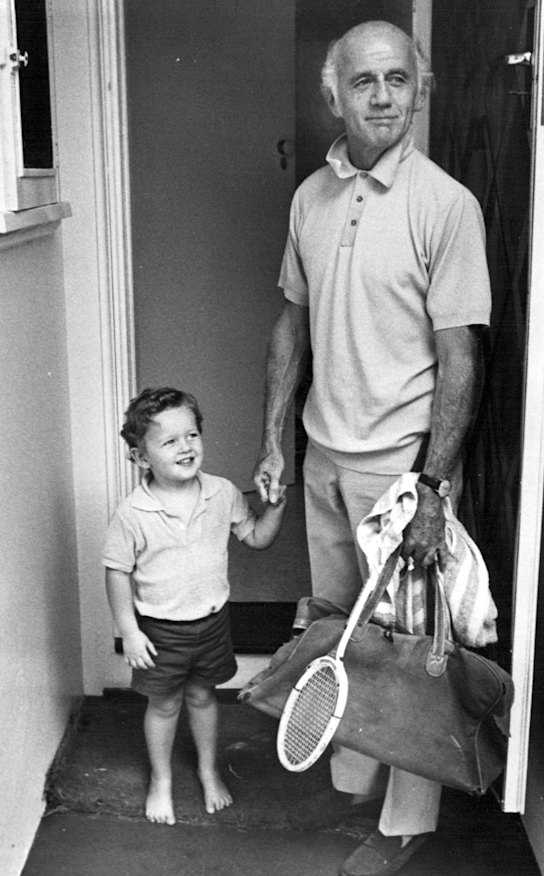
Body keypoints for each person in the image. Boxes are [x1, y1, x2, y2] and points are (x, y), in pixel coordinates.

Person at [254, 20, 491, 876]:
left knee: (407, 652)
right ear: (335, 95)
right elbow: (292, 323)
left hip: (402, 471)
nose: (384, 97)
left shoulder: (446, 205)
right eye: (366, 83)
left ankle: (404, 830)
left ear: (419, 89)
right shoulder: (310, 199)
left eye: (398, 80)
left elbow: (462, 354)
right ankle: (353, 783)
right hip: (322, 455)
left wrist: (433, 487)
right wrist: (276, 437)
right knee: (335, 627)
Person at [103, 386, 286, 825]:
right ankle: (161, 780)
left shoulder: (221, 493)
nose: (185, 447)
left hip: (211, 624)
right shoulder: (133, 512)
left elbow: (257, 538)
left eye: (192, 435)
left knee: (204, 697)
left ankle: (207, 771)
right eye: (169, 441)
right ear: (141, 458)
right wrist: (129, 631)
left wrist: (275, 507)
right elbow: (116, 572)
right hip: (159, 630)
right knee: (163, 704)